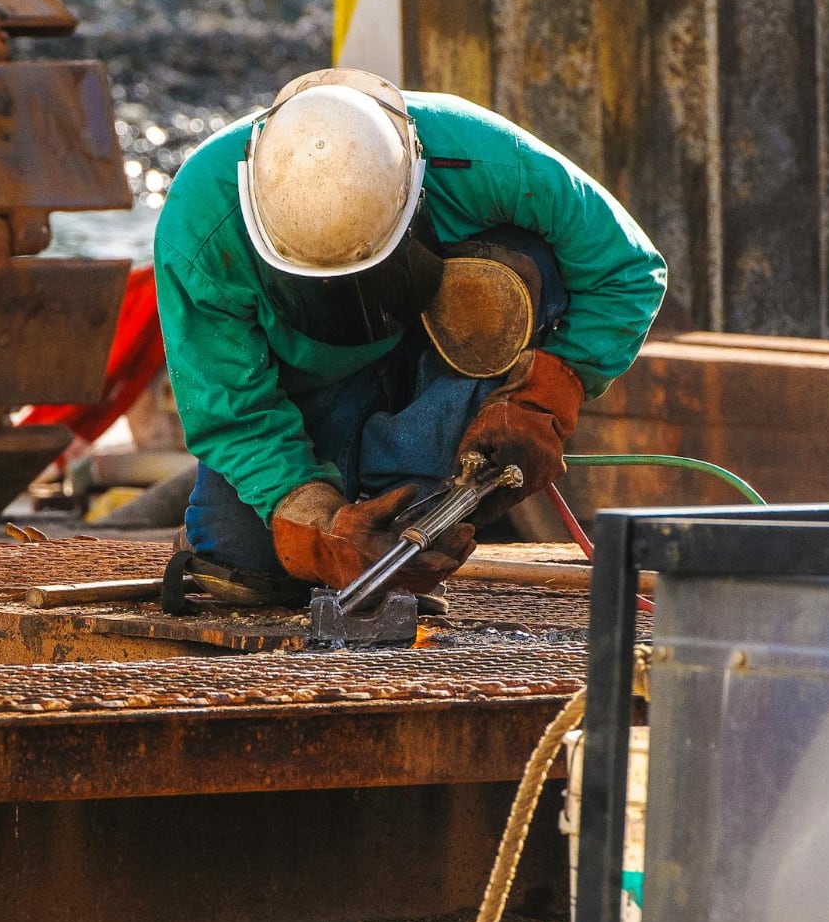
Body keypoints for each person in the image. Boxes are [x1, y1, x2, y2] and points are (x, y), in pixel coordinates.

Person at [153, 68, 666, 610]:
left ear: (413, 194)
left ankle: (412, 490)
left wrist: (544, 397)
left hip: (443, 353)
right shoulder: (202, 226)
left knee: (525, 259)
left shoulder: (479, 155)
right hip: (305, 392)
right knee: (245, 563)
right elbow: (232, 412)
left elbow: (625, 269)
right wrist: (320, 524)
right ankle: (356, 511)